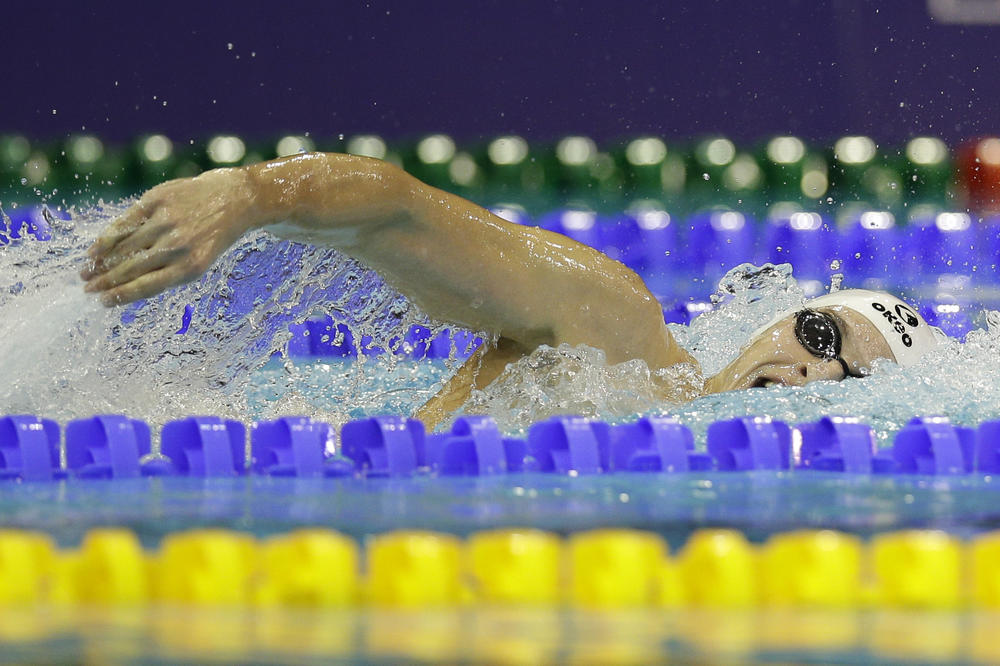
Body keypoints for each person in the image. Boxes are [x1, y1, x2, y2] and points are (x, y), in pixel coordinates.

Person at [80, 152, 939, 429]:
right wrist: (252, 194)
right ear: (771, 326)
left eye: (853, 381)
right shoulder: (621, 334)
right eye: (823, 339)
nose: (815, 378)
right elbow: (402, 209)